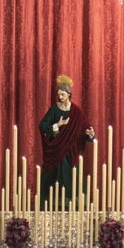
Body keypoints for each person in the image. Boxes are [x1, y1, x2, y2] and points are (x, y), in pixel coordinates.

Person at [38, 75, 95, 206]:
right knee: (55, 176)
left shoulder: (76, 111)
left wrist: (90, 134)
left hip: (71, 152)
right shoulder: (54, 109)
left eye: (62, 95)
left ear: (69, 94)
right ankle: (53, 202)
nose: (60, 97)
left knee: (72, 176)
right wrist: (58, 125)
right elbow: (42, 126)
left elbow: (86, 128)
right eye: (59, 95)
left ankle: (72, 202)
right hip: (56, 150)